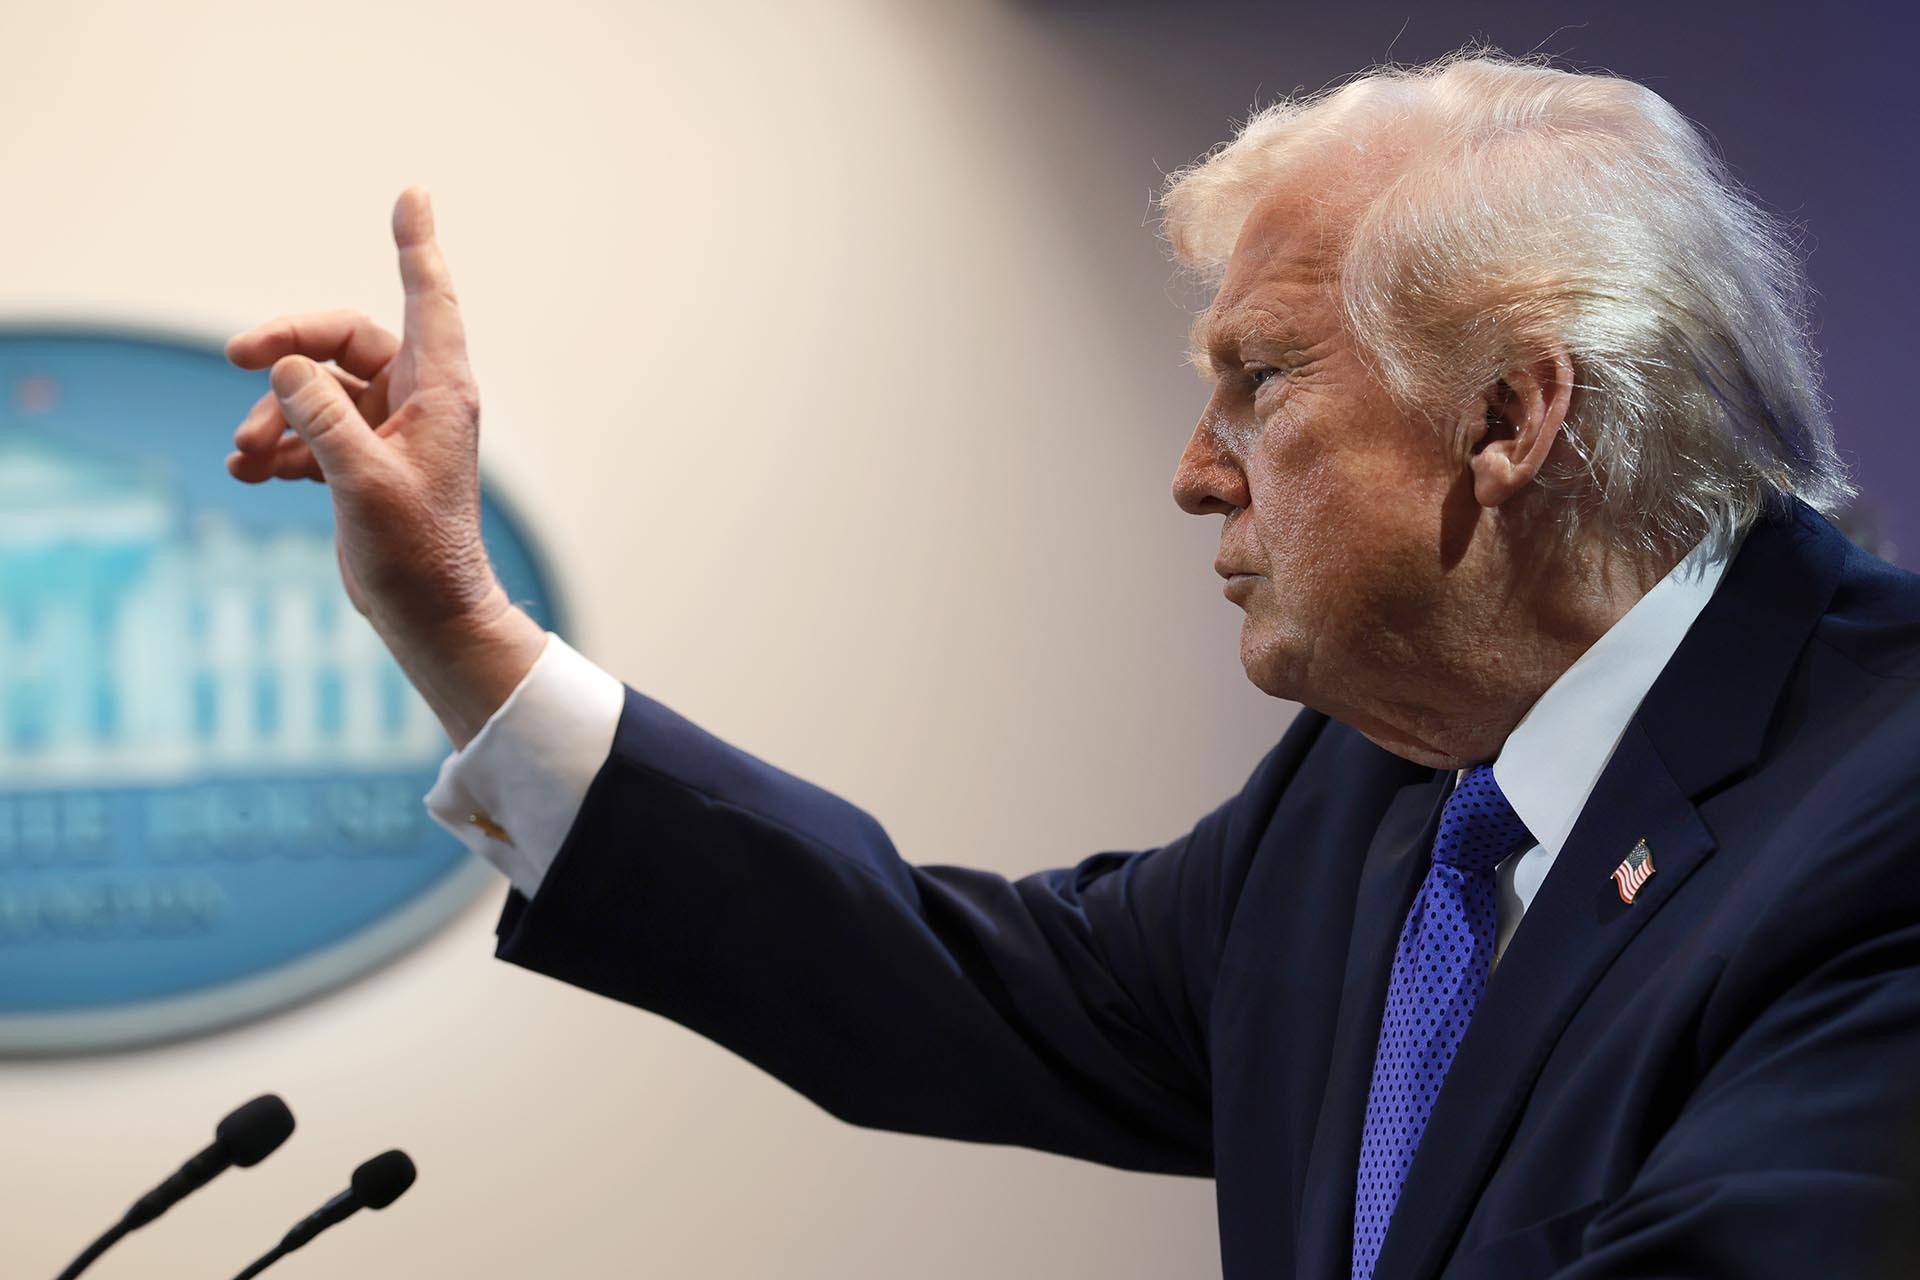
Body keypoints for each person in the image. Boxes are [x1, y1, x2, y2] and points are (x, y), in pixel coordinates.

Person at [224, 52, 1920, 1280]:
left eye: (1259, 382)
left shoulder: (1884, 809)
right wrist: (463, 633)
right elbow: (949, 989)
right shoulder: (1384, 791)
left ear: (1507, 420)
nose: (1197, 466)